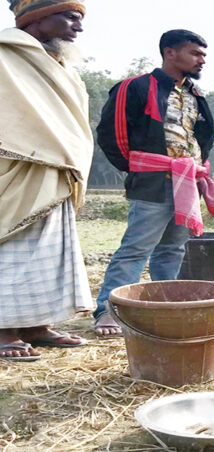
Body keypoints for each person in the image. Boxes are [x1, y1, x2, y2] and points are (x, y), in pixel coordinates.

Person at [95, 29, 214, 337]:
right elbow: (111, 135)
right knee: (136, 248)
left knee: (174, 248)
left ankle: (166, 306)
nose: (201, 60)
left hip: (186, 182)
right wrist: (139, 168)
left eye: (203, 54)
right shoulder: (135, 87)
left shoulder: (195, 95)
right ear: (170, 53)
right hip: (152, 180)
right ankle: (108, 311)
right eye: (195, 53)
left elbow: (202, 138)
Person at [0, 0, 92, 360]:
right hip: (16, 167)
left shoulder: (62, 64)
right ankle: (3, 329)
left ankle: (37, 325)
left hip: (56, 169)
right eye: (70, 17)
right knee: (13, 247)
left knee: (50, 250)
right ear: (37, 17)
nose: (78, 27)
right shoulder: (6, 55)